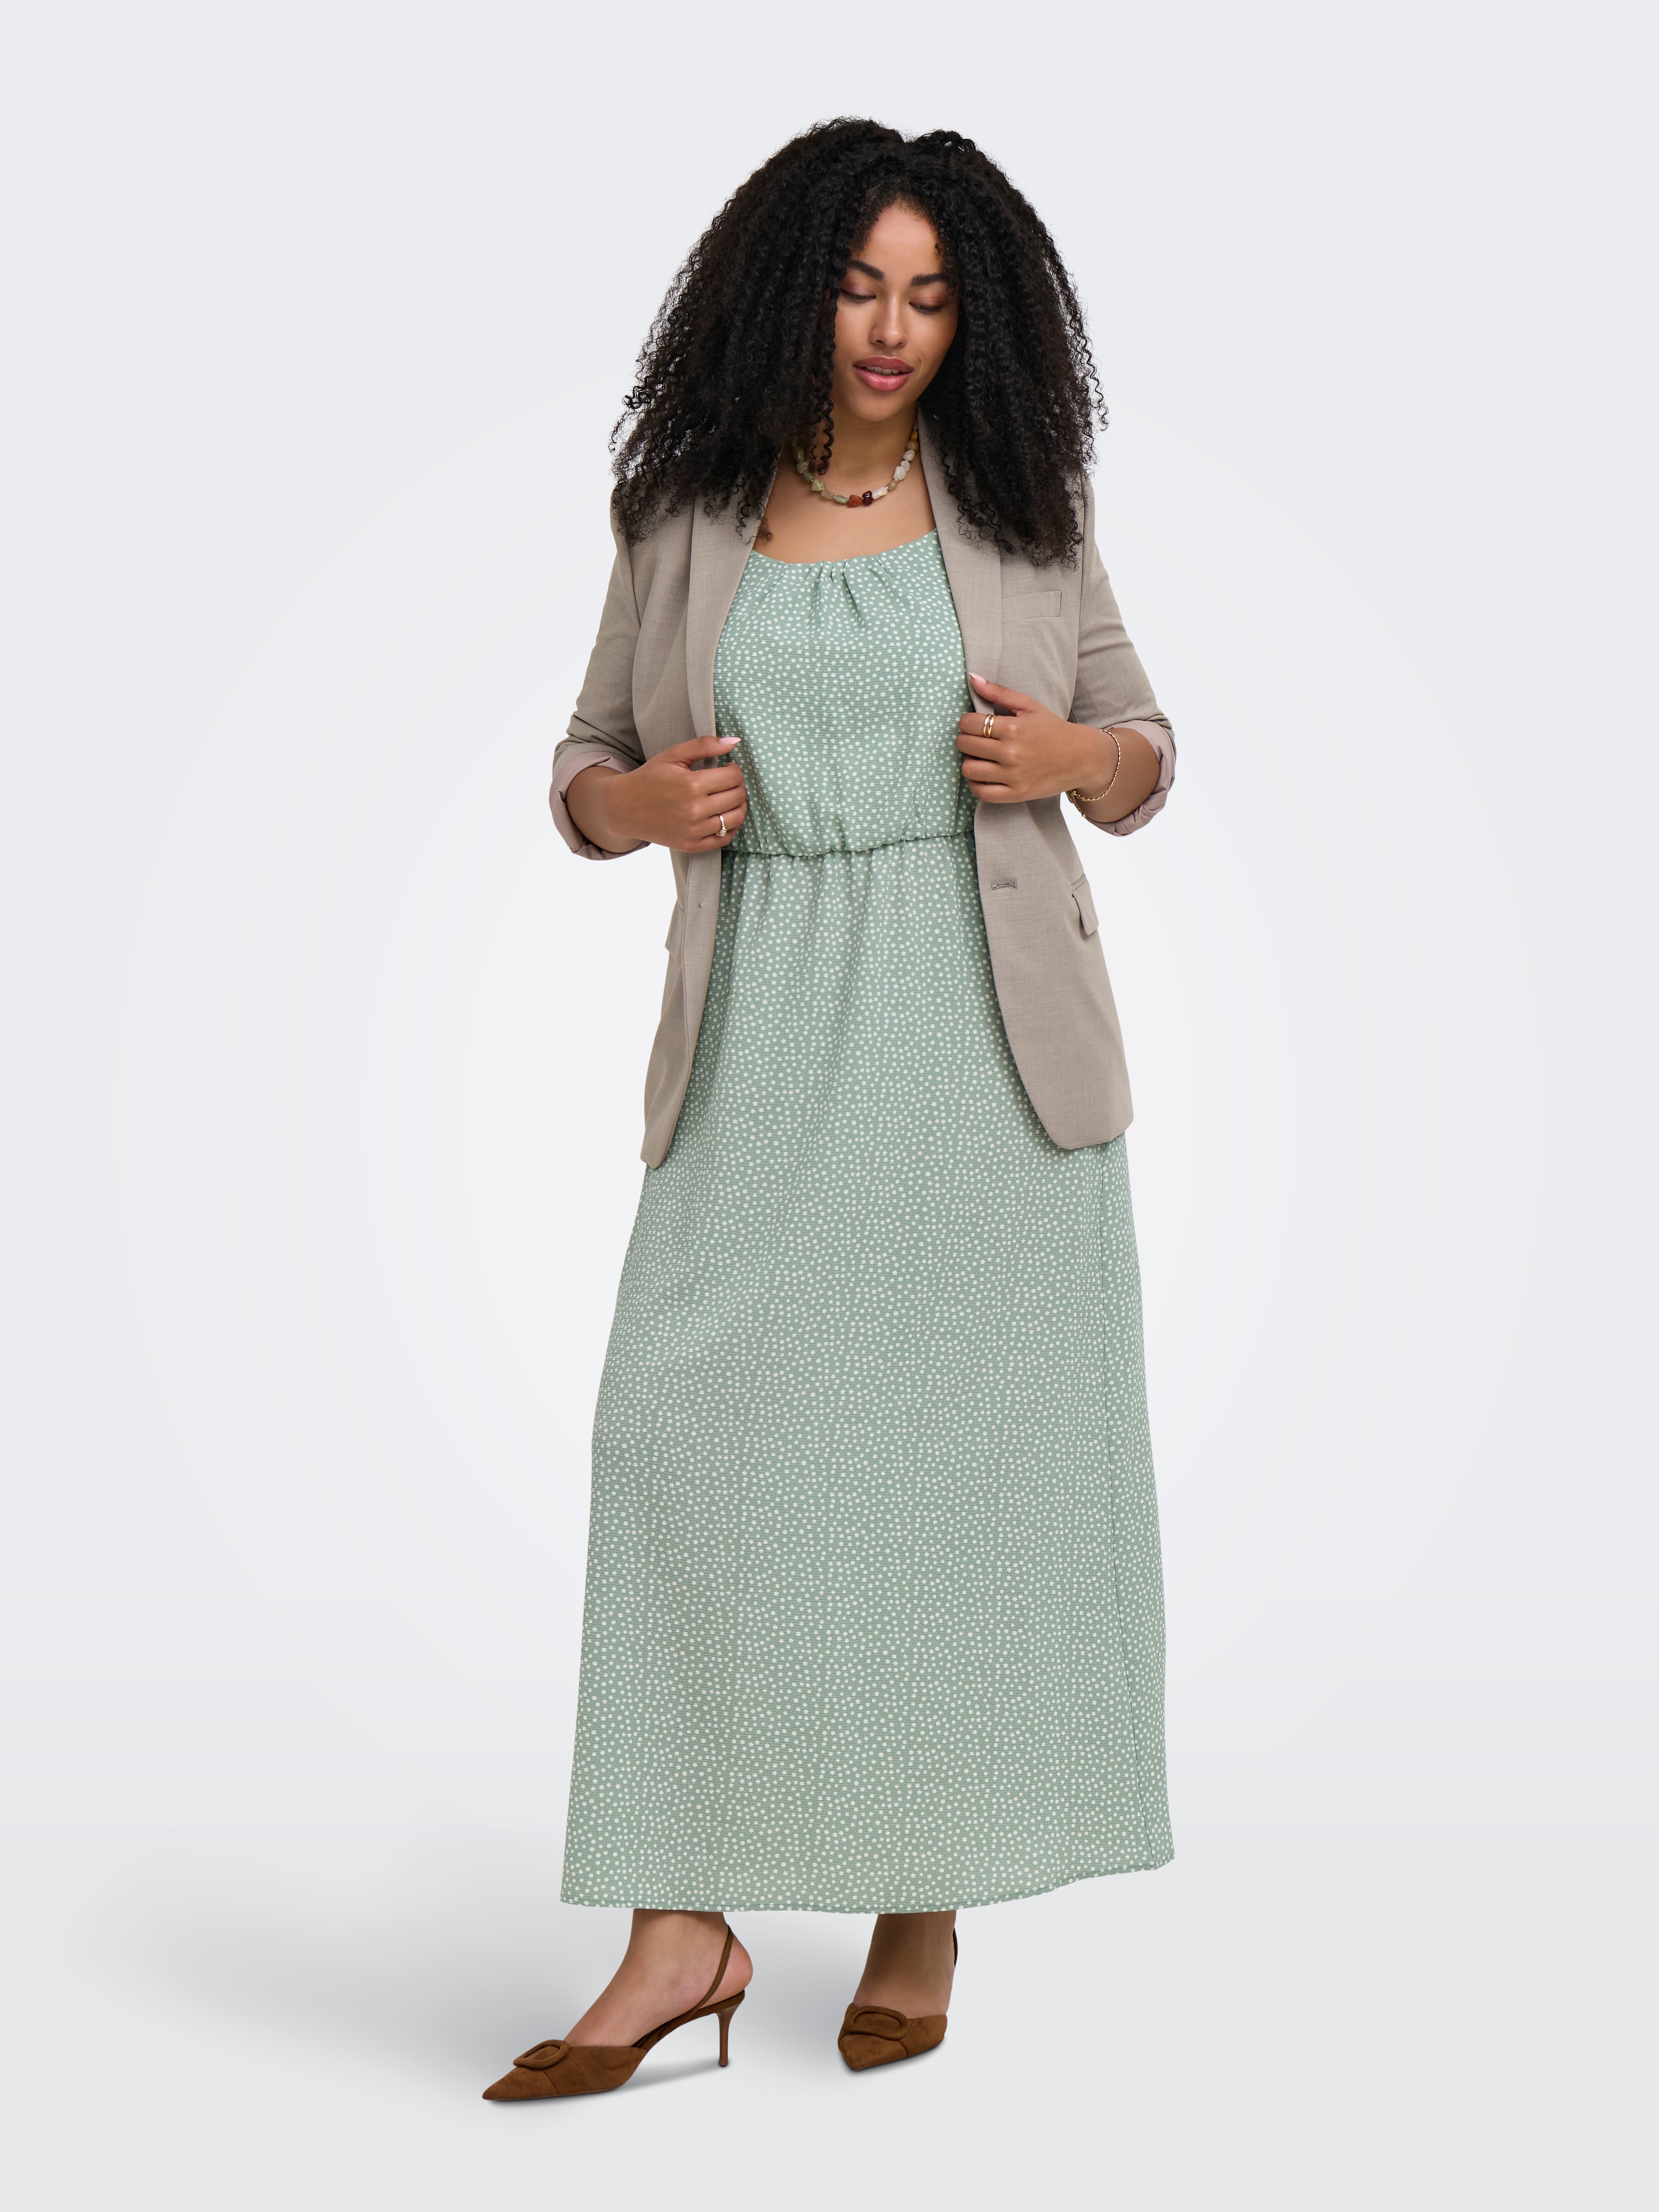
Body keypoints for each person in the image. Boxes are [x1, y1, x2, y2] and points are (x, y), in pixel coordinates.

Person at [484, 119, 1177, 2102]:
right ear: (792, 292)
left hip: (986, 1056)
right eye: (863, 287)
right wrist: (638, 806)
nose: (892, 329)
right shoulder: (684, 506)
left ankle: (918, 1902)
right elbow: (582, 759)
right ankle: (679, 1929)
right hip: (764, 1033)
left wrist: (1071, 758)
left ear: (980, 321)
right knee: (679, 1439)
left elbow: (1143, 748)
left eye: (933, 297)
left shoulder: (1024, 502)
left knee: (943, 1478)